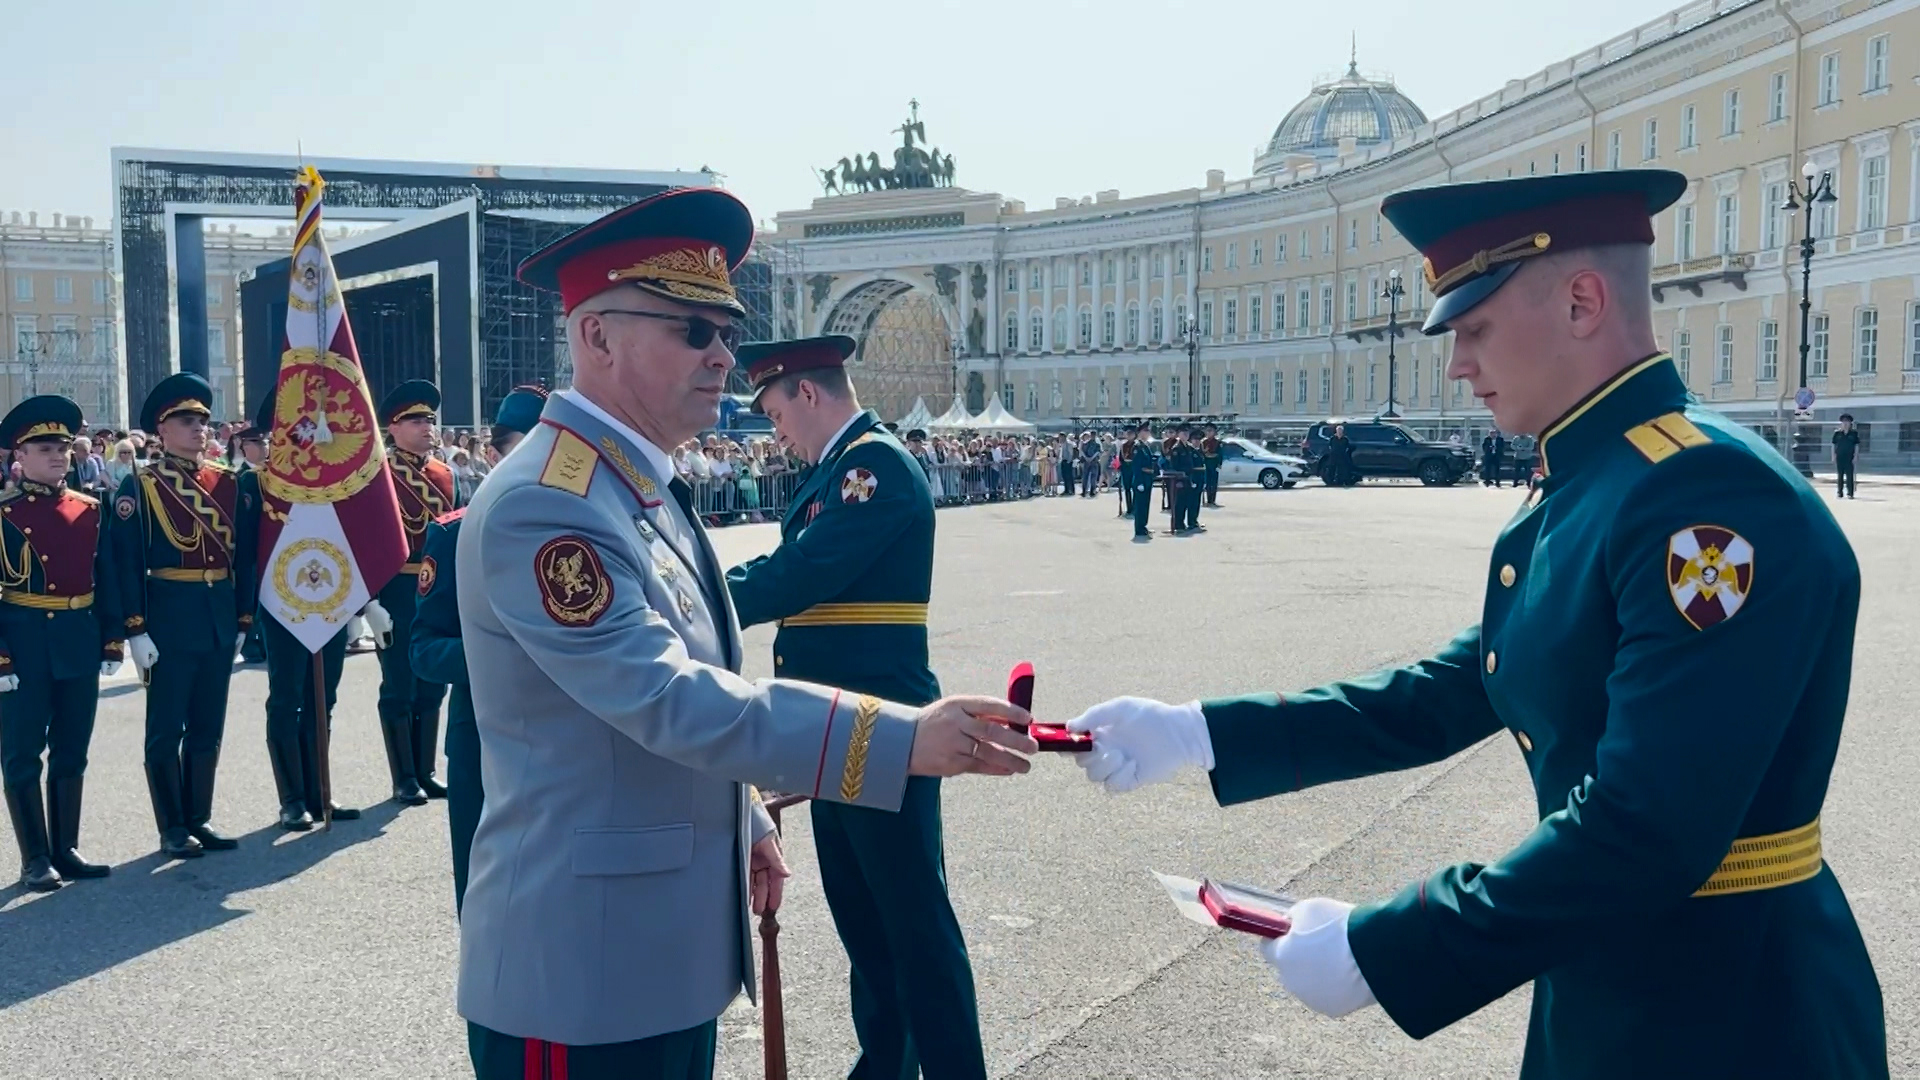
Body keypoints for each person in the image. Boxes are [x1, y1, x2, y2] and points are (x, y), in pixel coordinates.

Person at [1064, 169, 1887, 1077]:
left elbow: (1648, 826)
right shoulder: (1592, 482)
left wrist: (1389, 946)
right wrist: (1198, 732)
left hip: (1735, 1014)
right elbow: (1453, 692)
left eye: (1476, 328)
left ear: (1582, 302)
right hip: (1607, 987)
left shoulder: (1706, 495)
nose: (1457, 363)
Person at [455, 187, 1037, 1080]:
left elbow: (679, 686)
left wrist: (741, 818)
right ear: (597, 337)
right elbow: (665, 697)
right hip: (582, 980)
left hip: (651, 955)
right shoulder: (551, 501)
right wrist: (901, 740)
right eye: (693, 328)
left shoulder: (636, 489)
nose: (724, 351)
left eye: (725, 327)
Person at [726, 336, 988, 1080]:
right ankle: (885, 1067)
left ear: (808, 394)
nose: (776, 432)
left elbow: (802, 572)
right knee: (870, 935)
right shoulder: (836, 473)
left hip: (885, 733)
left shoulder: (871, 470)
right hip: (841, 733)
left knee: (915, 934)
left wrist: (700, 601)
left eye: (777, 412)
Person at [410, 384, 546, 914]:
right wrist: (499, 658)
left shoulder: (594, 529)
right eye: (527, 445)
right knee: (487, 899)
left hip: (569, 741)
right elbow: (424, 649)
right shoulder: (455, 535)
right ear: (495, 453)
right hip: (486, 740)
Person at [111, 372, 255, 860]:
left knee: (207, 726)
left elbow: (244, 558)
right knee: (166, 727)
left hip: (216, 616)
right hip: (169, 620)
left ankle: (199, 816)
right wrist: (135, 628)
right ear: (161, 429)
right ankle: (171, 825)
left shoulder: (228, 483)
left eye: (204, 421)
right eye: (187, 421)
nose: (199, 429)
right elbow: (127, 563)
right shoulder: (141, 485)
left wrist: (242, 619)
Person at [0, 396, 123, 891]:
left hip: (77, 639)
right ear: (19, 456)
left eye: (64, 447)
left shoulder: (91, 510)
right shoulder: (5, 514)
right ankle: (35, 857)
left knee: (72, 749)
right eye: (45, 447)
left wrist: (112, 638)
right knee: (23, 753)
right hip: (24, 646)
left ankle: (66, 847)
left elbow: (106, 575)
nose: (58, 456)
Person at [238, 396, 359, 832]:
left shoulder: (332, 481)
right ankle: (292, 798)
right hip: (281, 603)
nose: (303, 433)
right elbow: (247, 556)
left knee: (322, 699)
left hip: (331, 601)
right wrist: (244, 617)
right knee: (287, 697)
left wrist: (360, 604)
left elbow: (353, 541)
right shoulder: (255, 483)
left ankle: (320, 790)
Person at [372, 379, 457, 806]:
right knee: (399, 683)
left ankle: (425, 770)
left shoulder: (444, 473)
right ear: (394, 426)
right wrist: (369, 602)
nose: (428, 427)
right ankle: (403, 776)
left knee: (432, 684)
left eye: (430, 419)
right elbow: (367, 539)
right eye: (417, 420)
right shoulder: (378, 474)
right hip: (398, 587)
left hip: (436, 587)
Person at [1128, 422, 1158, 541]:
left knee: (1145, 505)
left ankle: (1143, 526)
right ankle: (1139, 529)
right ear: (1139, 433)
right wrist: (1139, 481)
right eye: (1145, 431)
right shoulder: (1137, 446)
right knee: (1140, 506)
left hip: (1147, 478)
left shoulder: (1145, 446)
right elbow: (1136, 466)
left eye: (1148, 431)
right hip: (1141, 479)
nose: (1147, 433)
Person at [1832, 413, 1860, 499]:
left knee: (1849, 475)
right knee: (1840, 475)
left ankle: (1850, 493)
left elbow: (1856, 445)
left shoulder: (1854, 433)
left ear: (1850, 423)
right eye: (1843, 422)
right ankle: (1840, 492)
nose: (1845, 424)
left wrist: (1856, 456)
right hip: (1840, 456)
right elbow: (1833, 445)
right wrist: (1833, 455)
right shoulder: (1837, 433)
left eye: (1847, 422)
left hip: (1849, 457)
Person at [1201, 424, 1223, 507]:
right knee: (1207, 482)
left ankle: (1212, 500)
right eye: (1207, 430)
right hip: (1206, 464)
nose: (1209, 432)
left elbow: (1220, 454)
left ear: (1214, 432)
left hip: (1214, 464)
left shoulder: (1217, 442)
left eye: (1211, 431)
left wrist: (1219, 464)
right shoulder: (1203, 442)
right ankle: (1207, 499)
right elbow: (1201, 454)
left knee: (1213, 483)